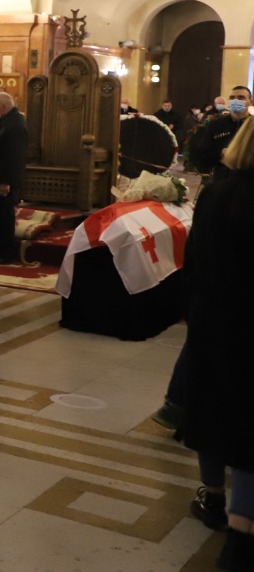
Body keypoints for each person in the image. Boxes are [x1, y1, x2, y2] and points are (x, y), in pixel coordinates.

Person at [179, 121, 254, 568]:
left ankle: (212, 496)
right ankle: (244, 523)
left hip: (213, 317)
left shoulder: (216, 194)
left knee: (211, 405)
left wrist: (192, 311)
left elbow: (194, 259)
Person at [0, 92, 28, 264]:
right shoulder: (8, 121)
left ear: (3, 106)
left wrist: (6, 182)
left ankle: (5, 253)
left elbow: (14, 157)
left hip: (4, 183)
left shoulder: (15, 125)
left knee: (3, 218)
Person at [189, 86, 250, 183]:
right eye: (232, 98)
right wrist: (221, 153)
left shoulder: (252, 125)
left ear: (250, 102)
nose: (236, 101)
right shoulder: (216, 125)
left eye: (241, 97)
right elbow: (202, 154)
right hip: (221, 179)